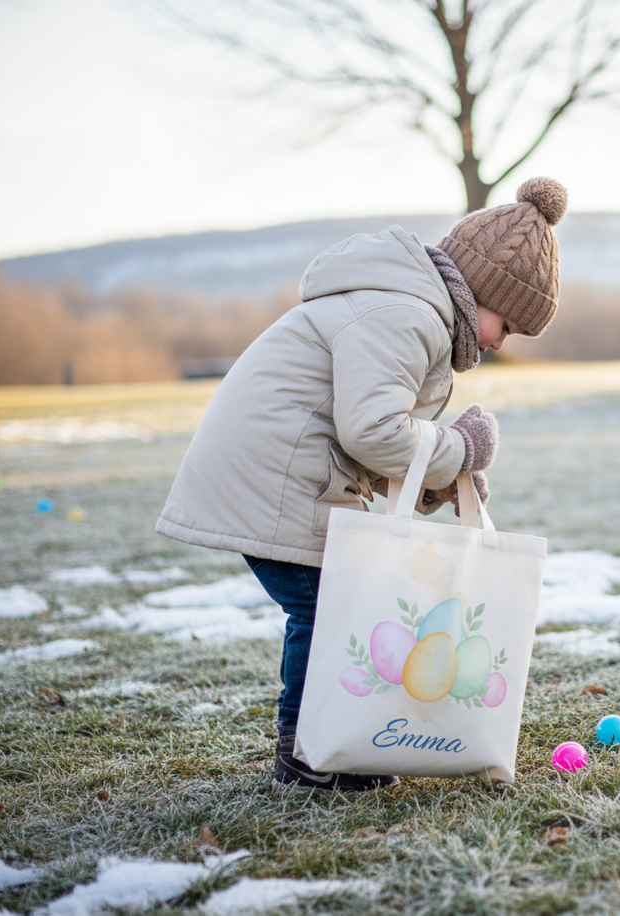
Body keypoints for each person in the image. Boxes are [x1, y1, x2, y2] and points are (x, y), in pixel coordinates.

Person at [156, 176, 567, 790]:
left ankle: (334, 747)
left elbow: (371, 429)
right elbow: (372, 431)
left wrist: (442, 480)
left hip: (285, 468)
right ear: (482, 290)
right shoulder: (408, 315)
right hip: (278, 474)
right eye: (505, 324)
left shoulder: (403, 305)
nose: (497, 342)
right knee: (327, 608)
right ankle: (309, 755)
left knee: (330, 603)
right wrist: (459, 449)